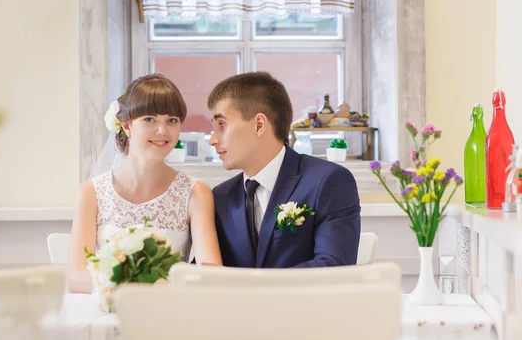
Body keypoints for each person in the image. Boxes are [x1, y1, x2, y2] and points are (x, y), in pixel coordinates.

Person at [69, 74, 222, 293]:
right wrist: (134, 285)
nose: (163, 131)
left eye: (172, 120)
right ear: (127, 126)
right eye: (150, 119)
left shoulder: (196, 193)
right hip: (110, 310)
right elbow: (77, 277)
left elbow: (211, 272)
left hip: (170, 313)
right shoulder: (90, 193)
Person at [208, 72, 361, 268]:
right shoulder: (222, 196)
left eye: (222, 125)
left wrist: (258, 290)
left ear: (259, 125)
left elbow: (333, 266)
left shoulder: (329, 181)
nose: (213, 139)